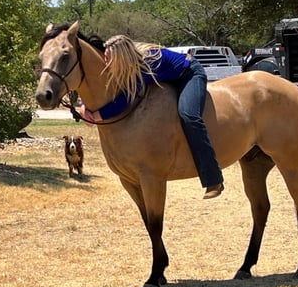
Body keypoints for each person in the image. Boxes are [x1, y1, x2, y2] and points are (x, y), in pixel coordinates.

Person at [79, 35, 224, 199]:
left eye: (109, 59)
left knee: (189, 116)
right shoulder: (125, 64)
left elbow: (127, 98)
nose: (107, 63)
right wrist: (85, 105)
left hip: (189, 72)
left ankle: (214, 179)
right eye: (106, 57)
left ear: (122, 57)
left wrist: (97, 115)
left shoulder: (144, 65)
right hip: (171, 77)